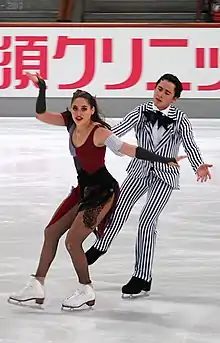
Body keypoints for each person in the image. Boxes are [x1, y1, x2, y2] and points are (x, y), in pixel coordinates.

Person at [8, 73, 185, 310]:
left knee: (73, 242)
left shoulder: (100, 132)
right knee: (51, 233)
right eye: (75, 108)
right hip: (82, 190)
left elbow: (129, 149)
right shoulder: (70, 122)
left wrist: (164, 159)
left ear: (92, 110)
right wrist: (42, 88)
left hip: (102, 193)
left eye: (84, 108)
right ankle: (37, 284)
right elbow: (41, 114)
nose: (78, 113)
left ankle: (86, 290)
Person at [85, 73, 213, 297]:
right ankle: (101, 246)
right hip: (139, 170)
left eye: (166, 92)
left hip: (164, 175)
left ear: (174, 99)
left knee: (147, 221)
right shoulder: (141, 111)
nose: (160, 94)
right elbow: (119, 130)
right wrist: (96, 128)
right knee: (119, 207)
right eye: (159, 88)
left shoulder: (180, 119)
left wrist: (198, 165)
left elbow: (190, 144)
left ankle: (142, 276)